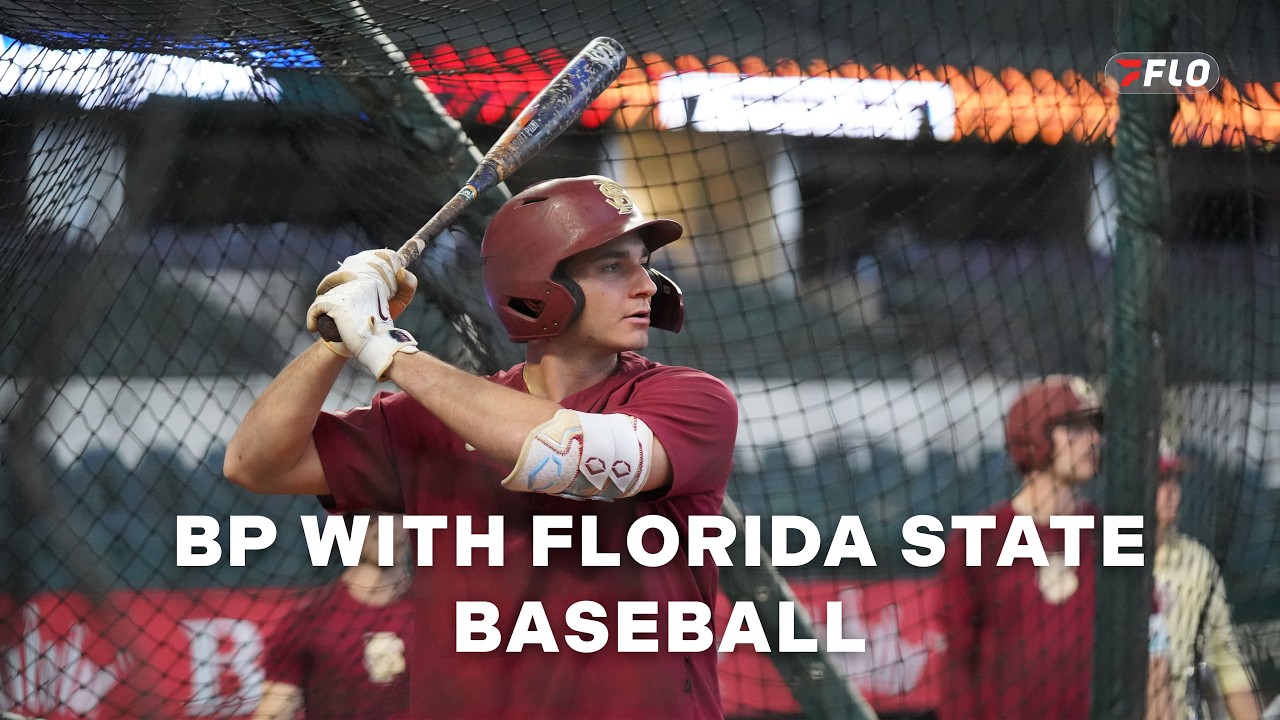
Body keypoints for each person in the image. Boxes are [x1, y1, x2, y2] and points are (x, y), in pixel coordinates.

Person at [224, 175, 738, 719]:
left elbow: (567, 456)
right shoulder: (432, 419)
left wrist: (385, 348)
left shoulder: (690, 399)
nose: (647, 286)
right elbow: (255, 463)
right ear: (536, 288)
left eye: (643, 264)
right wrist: (338, 336)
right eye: (613, 267)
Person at [938, 374, 1104, 720]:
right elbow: (958, 667)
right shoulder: (979, 539)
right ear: (1035, 438)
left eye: (1095, 427)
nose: (1093, 439)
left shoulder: (1109, 534)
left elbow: (1151, 649)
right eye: (1075, 428)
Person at [253, 512, 413, 720]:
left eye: (395, 515)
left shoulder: (441, 613)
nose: (384, 528)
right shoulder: (309, 618)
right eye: (371, 516)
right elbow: (274, 713)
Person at [1145, 440, 1262, 720]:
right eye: (1160, 480)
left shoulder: (1196, 561)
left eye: (1175, 478)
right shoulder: (1098, 559)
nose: (1172, 491)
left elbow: (1225, 658)